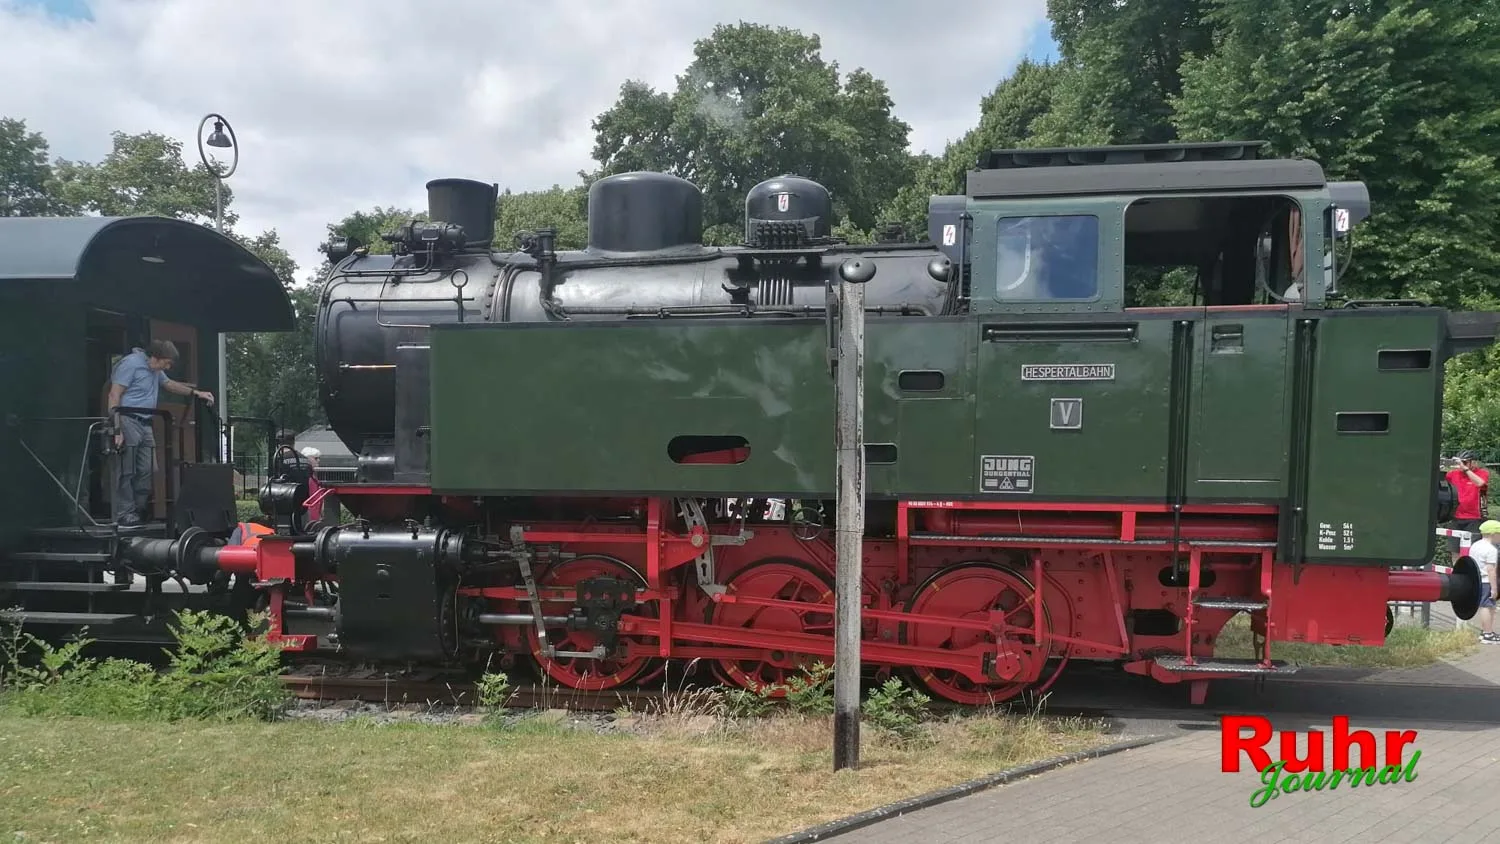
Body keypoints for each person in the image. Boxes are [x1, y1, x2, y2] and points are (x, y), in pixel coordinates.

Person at [107, 339, 214, 526]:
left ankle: (139, 510)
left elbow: (170, 384)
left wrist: (195, 393)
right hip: (127, 419)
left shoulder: (155, 370)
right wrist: (117, 429)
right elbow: (114, 395)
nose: (169, 366)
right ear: (155, 358)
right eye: (167, 362)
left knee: (149, 468)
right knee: (127, 469)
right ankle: (125, 513)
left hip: (146, 422)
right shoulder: (131, 364)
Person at [1445, 451, 1490, 562]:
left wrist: (1466, 469)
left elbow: (1480, 483)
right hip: (1456, 517)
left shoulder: (1482, 473)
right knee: (1454, 550)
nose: (1462, 465)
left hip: (1473, 518)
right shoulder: (1453, 474)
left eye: (1465, 462)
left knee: (1470, 551)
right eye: (1461, 462)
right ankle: (1456, 574)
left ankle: (1468, 574)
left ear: (1473, 462)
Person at [1466, 520, 1500, 644]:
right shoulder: (1491, 550)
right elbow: (1491, 570)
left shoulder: (1475, 545)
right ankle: (1487, 634)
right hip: (1486, 581)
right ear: (1493, 534)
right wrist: (1494, 588)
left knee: (1486, 605)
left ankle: (1486, 631)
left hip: (1477, 579)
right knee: (1487, 606)